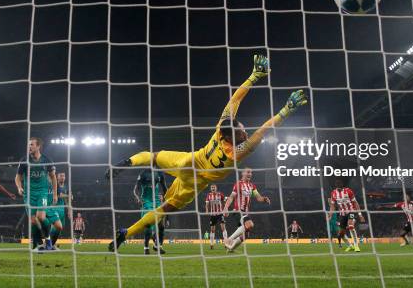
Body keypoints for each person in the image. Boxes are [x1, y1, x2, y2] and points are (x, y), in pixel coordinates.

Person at [107, 55, 307, 252]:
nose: (245, 133)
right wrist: (286, 110)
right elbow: (263, 130)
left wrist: (254, 75)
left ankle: (124, 166)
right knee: (162, 210)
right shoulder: (236, 153)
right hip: (195, 183)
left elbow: (235, 99)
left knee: (152, 156)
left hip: (187, 161)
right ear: (231, 138)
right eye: (241, 133)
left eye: (243, 129)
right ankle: (126, 232)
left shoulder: (222, 126)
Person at [15, 137, 58, 251]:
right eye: (29, 145)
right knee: (33, 220)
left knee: (41, 217)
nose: (29, 147)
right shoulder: (24, 160)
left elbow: (53, 177)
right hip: (28, 194)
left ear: (38, 146)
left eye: (32, 145)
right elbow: (17, 177)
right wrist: (19, 187)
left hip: (42, 193)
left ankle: (48, 239)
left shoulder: (47, 160)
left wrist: (54, 194)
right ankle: (39, 244)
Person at [222, 167, 271, 252]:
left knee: (246, 234)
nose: (250, 174)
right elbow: (231, 197)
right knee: (250, 224)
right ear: (243, 173)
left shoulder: (252, 186)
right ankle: (228, 239)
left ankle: (230, 249)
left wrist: (264, 199)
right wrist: (225, 208)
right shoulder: (238, 184)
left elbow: (258, 197)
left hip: (246, 213)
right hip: (238, 211)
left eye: (251, 173)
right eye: (248, 172)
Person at [134, 169, 167, 254]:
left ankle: (157, 246)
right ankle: (146, 247)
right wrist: (138, 198)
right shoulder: (143, 173)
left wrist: (167, 198)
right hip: (146, 201)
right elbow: (136, 189)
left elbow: (165, 188)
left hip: (157, 201)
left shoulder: (160, 173)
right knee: (148, 224)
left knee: (161, 226)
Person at [327, 179, 365, 252]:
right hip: (342, 213)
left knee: (350, 225)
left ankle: (356, 246)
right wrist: (330, 214)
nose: (339, 190)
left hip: (351, 211)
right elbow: (332, 205)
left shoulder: (348, 191)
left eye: (340, 188)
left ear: (342, 186)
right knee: (341, 232)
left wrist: (360, 215)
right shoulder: (333, 193)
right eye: (338, 188)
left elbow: (355, 203)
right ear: (336, 187)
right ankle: (350, 246)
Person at [46, 172, 70, 248]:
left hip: (62, 209)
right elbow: (59, 195)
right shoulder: (54, 184)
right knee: (54, 227)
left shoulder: (66, 187)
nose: (62, 177)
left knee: (59, 228)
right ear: (57, 177)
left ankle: (52, 244)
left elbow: (66, 200)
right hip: (54, 208)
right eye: (61, 176)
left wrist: (69, 210)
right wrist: (69, 195)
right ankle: (47, 244)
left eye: (63, 176)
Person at [205, 184, 227, 249]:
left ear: (216, 188)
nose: (213, 188)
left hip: (220, 213)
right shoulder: (208, 195)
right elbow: (207, 204)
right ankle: (211, 244)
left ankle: (226, 243)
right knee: (212, 230)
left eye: (214, 187)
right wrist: (206, 210)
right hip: (212, 214)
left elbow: (225, 201)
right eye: (212, 187)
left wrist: (226, 209)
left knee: (223, 227)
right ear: (210, 189)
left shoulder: (220, 194)